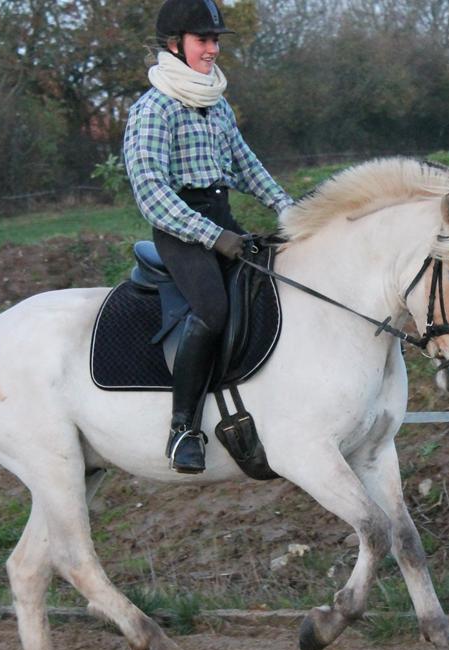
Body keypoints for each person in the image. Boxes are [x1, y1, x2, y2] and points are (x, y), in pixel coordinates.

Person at [124, 0, 293, 475]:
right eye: (204, 40)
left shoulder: (217, 104)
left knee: (272, 281)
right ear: (175, 45)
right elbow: (151, 192)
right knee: (212, 310)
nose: (213, 49)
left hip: (221, 217)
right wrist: (212, 237)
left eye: (216, 40)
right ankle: (183, 430)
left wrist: (287, 206)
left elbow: (244, 165)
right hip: (180, 230)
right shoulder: (153, 109)